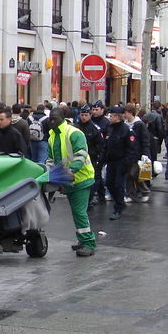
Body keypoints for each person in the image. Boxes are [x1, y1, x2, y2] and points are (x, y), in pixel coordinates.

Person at [46, 107, 97, 256]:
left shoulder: (73, 133)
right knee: (77, 212)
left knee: (79, 212)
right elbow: (51, 159)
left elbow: (81, 154)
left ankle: (88, 243)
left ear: (62, 118)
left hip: (81, 178)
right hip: (69, 180)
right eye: (50, 118)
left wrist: (71, 170)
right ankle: (83, 240)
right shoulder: (52, 137)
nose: (51, 121)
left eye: (54, 118)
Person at [103, 106, 137, 221]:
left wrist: (126, 164)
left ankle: (118, 207)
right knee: (109, 183)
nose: (110, 117)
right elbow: (106, 145)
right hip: (111, 161)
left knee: (118, 185)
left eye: (111, 116)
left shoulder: (126, 130)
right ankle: (120, 202)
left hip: (121, 161)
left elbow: (131, 149)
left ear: (117, 117)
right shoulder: (110, 128)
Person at [123, 105, 152, 202]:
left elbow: (145, 140)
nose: (124, 115)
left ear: (130, 113)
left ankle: (144, 191)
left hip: (137, 154)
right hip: (128, 154)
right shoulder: (126, 124)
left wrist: (145, 153)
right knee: (129, 174)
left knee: (133, 174)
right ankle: (131, 194)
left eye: (126, 113)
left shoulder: (139, 124)